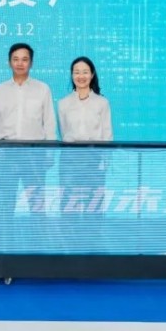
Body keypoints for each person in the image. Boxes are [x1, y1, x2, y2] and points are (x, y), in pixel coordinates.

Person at [0, 43, 56, 218]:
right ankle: (3, 236)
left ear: (31, 63)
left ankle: (38, 235)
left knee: (37, 205)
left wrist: (50, 154)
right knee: (3, 205)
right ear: (9, 62)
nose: (20, 63)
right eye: (16, 59)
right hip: (6, 153)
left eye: (25, 59)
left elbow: (49, 123)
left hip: (35, 153)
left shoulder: (43, 89)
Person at [57, 56, 113, 215]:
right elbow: (64, 131)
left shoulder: (102, 102)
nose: (80, 76)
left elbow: (107, 134)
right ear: (72, 75)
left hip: (94, 157)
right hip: (70, 158)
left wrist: (105, 162)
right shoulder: (63, 103)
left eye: (85, 72)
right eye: (76, 72)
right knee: (69, 206)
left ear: (92, 74)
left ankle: (93, 231)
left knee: (94, 206)